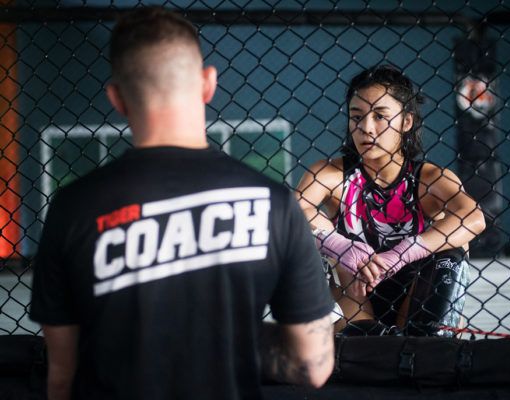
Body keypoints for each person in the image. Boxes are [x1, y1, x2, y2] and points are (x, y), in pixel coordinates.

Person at [30, 7, 334, 400]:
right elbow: (313, 365)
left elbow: (62, 376)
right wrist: (224, 335)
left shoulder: (71, 206)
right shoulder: (274, 202)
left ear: (117, 98)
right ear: (208, 83)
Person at [296, 65, 486, 336]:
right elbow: (290, 210)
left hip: (416, 294)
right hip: (357, 295)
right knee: (318, 238)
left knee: (453, 239)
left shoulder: (428, 178)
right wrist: (338, 245)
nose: (365, 127)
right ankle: (365, 337)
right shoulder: (332, 174)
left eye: (380, 116)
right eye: (356, 116)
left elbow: (474, 217)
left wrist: (404, 252)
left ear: (406, 122)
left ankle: (428, 334)